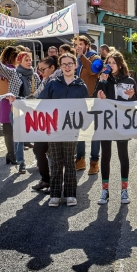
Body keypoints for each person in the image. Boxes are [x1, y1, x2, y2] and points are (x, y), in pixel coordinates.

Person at [38, 53, 89, 207]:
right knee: (55, 161)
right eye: (64, 64)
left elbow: (85, 109)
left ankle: (70, 194)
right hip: (54, 129)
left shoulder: (81, 86)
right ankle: (54, 194)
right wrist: (18, 102)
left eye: (70, 64)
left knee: (69, 161)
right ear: (60, 67)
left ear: (75, 65)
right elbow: (40, 104)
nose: (67, 67)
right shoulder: (53, 84)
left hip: (71, 129)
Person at [95, 51, 136, 205]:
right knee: (105, 155)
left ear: (120, 64)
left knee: (123, 155)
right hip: (105, 122)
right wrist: (102, 84)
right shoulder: (103, 79)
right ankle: (104, 190)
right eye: (108, 62)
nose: (110, 65)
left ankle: (124, 190)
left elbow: (134, 103)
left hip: (121, 122)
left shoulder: (129, 80)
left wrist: (132, 96)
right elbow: (95, 97)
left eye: (113, 62)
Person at [31, 56, 61, 192]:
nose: (40, 72)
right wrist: (19, 100)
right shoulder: (45, 80)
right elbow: (36, 95)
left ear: (52, 68)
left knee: (55, 154)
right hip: (45, 122)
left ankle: (55, 182)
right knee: (38, 149)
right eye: (39, 69)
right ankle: (46, 179)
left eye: (43, 69)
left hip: (56, 123)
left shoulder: (57, 81)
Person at [74, 35, 102, 174]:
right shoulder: (75, 61)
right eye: (75, 44)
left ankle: (94, 162)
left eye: (80, 44)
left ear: (87, 45)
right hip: (79, 100)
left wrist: (81, 57)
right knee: (80, 132)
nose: (77, 46)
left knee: (94, 133)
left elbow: (93, 71)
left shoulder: (95, 58)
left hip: (93, 100)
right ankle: (80, 160)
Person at [0, 45, 22, 166]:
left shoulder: (11, 69)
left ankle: (10, 154)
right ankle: (11, 154)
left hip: (5, 102)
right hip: (9, 102)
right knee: (10, 130)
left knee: (9, 130)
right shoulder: (11, 70)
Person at [12, 51, 39, 174]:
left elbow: (39, 93)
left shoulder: (35, 76)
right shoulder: (15, 75)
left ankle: (39, 159)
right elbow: (12, 95)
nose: (29, 62)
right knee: (19, 138)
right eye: (26, 60)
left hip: (32, 110)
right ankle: (20, 162)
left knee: (37, 136)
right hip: (18, 109)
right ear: (20, 62)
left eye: (30, 60)